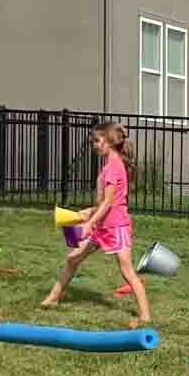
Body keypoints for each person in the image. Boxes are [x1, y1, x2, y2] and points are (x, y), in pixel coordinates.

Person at [41, 123, 150, 322]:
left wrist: (90, 222)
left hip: (115, 227)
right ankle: (53, 298)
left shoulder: (113, 167)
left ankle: (145, 315)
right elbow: (108, 201)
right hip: (102, 225)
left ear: (109, 142)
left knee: (127, 271)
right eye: (93, 141)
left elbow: (109, 202)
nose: (94, 145)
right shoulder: (110, 165)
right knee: (73, 258)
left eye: (97, 141)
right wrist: (89, 213)